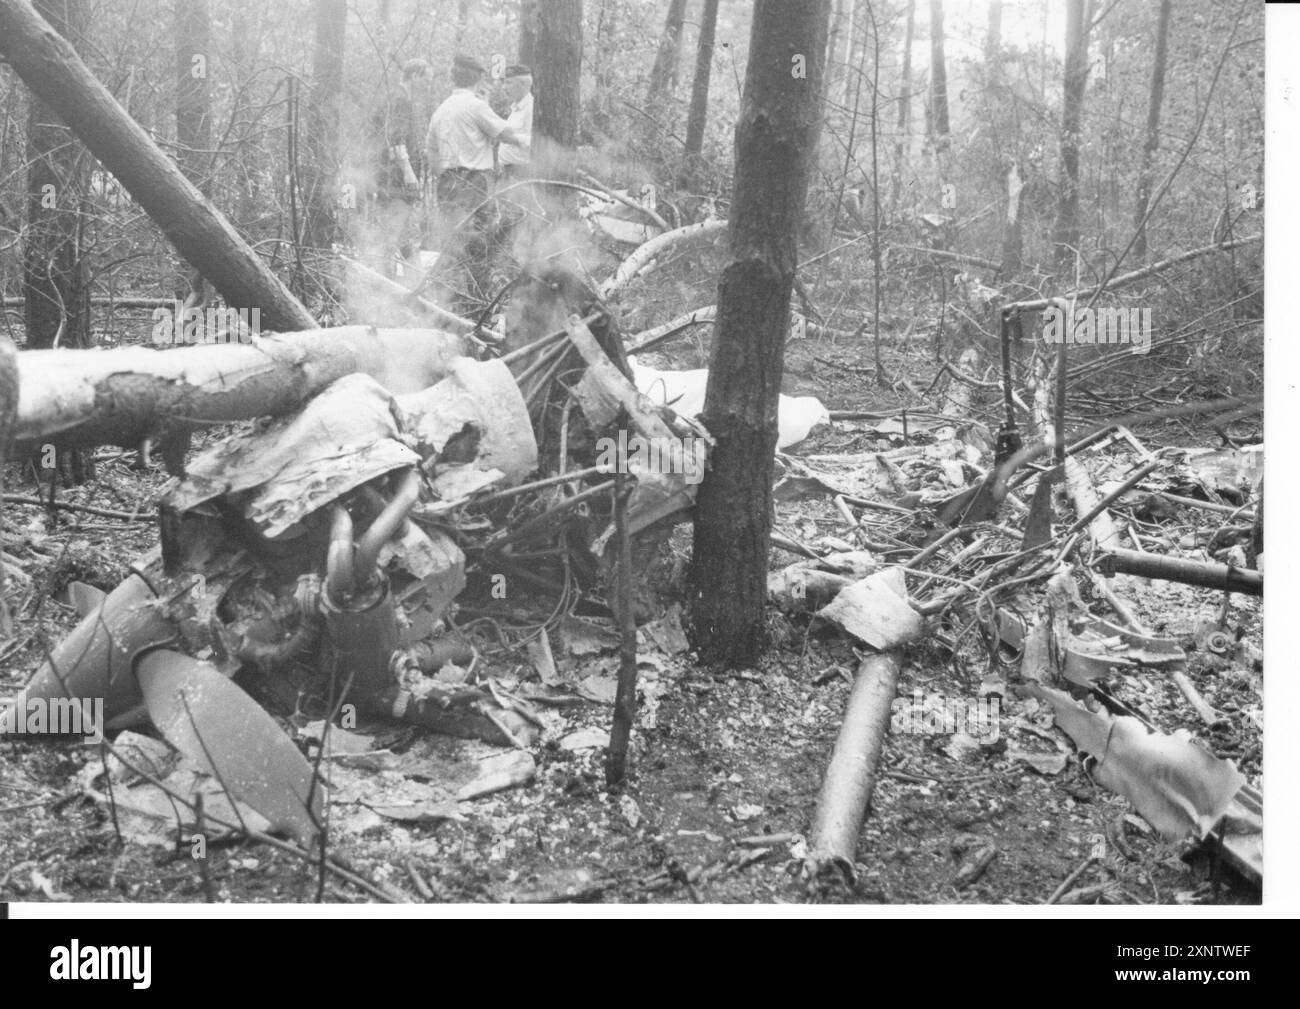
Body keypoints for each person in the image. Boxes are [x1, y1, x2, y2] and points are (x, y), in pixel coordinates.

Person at [425, 54, 524, 313]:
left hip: (447, 182)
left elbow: (430, 151)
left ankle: (449, 299)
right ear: (479, 79)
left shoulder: (441, 109)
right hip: (472, 182)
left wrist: (445, 175)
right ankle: (473, 303)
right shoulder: (474, 106)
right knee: (479, 242)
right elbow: (507, 135)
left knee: (453, 240)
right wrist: (531, 138)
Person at [369, 58, 434, 271]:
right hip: (395, 179)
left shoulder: (402, 98)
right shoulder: (399, 99)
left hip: (392, 176)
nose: (428, 85)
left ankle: (410, 284)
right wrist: (408, 172)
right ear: (414, 76)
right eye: (426, 79)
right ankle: (381, 280)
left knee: (405, 234)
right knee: (393, 232)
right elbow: (396, 139)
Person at [498, 65, 533, 180]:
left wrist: (513, 139)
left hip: (521, 172)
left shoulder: (531, 108)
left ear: (524, 84)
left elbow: (534, 141)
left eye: (509, 83)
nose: (504, 88)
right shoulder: (515, 108)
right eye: (504, 83)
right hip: (507, 172)